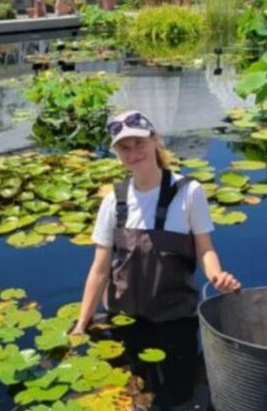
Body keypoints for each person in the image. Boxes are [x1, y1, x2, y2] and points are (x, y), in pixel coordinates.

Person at [72, 110, 240, 336]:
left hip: (176, 317)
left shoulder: (189, 191)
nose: (134, 153)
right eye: (125, 148)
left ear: (155, 140)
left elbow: (205, 249)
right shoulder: (113, 200)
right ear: (117, 154)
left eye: (139, 142)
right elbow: (100, 270)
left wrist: (216, 275)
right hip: (122, 318)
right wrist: (82, 324)